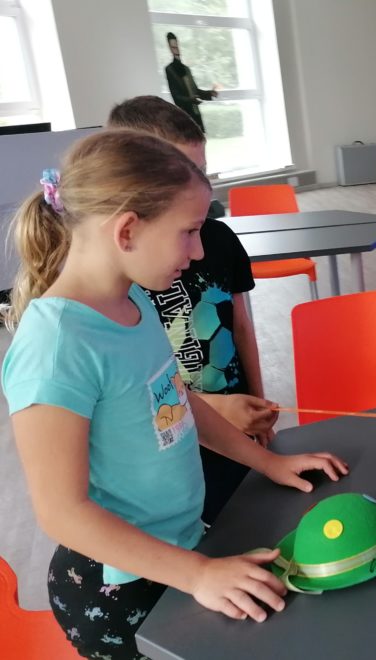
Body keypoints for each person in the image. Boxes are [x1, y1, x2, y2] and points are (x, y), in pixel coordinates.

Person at [1, 130, 349, 659]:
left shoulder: (134, 298)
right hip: (117, 589)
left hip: (183, 549)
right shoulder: (55, 347)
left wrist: (266, 463)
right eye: (188, 232)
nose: (200, 250)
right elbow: (62, 512)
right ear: (126, 231)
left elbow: (175, 399)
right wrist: (198, 574)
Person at [107, 95, 271, 524]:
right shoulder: (112, 296)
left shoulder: (217, 241)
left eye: (201, 170)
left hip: (234, 432)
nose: (195, 250)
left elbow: (240, 325)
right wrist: (216, 410)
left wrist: (255, 402)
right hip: (173, 456)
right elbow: (133, 397)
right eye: (182, 172)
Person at [164, 32, 218, 133]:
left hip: (196, 113)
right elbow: (176, 96)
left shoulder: (186, 69)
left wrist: (210, 93)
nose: (176, 49)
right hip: (184, 116)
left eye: (177, 46)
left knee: (200, 138)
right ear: (170, 49)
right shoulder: (169, 70)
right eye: (173, 47)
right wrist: (190, 100)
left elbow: (195, 90)